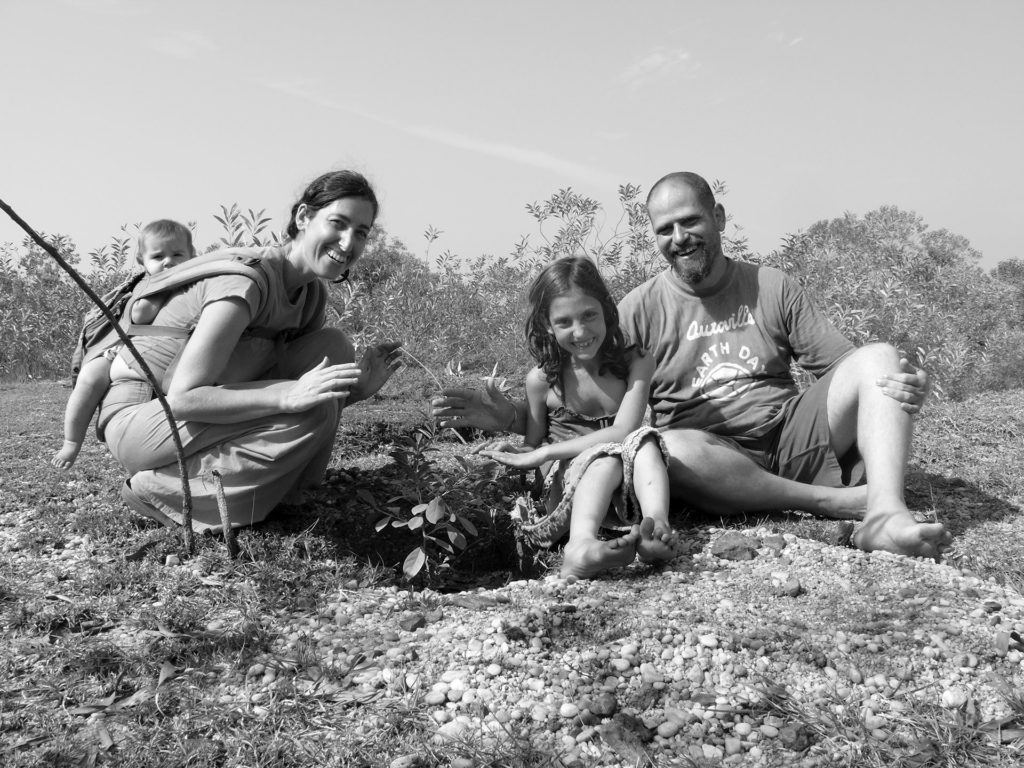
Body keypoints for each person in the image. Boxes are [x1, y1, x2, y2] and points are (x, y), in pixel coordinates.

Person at [434, 171, 952, 560]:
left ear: (719, 218)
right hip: (707, 454)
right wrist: (507, 419)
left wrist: (899, 384)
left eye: (690, 221)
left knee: (880, 358)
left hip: (791, 430)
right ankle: (831, 501)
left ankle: (884, 514)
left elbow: (845, 369)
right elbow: (581, 397)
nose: (679, 237)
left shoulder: (772, 285)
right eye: (665, 229)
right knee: (666, 444)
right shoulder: (635, 311)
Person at [97, 170, 402, 531]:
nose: (348, 242)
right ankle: (162, 489)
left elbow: (304, 394)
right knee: (308, 406)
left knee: (333, 347)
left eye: (362, 232)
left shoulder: (310, 294)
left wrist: (356, 392)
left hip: (190, 415)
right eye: (338, 223)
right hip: (145, 419)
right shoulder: (245, 284)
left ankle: (289, 494)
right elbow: (182, 397)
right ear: (304, 217)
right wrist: (287, 396)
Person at [478, 257, 680, 579]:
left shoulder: (636, 362)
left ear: (607, 311)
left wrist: (543, 450)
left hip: (625, 491)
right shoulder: (542, 380)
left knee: (645, 442)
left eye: (589, 315)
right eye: (565, 322)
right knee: (604, 459)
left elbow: (625, 429)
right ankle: (580, 546)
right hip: (568, 488)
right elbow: (534, 446)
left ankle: (654, 529)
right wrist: (528, 451)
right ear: (547, 324)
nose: (580, 331)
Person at [51, 219, 196, 470]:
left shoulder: (196, 281)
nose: (168, 262)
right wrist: (162, 288)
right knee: (89, 380)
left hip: (156, 353)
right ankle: (71, 442)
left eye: (177, 254)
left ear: (193, 255)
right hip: (117, 348)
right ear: (142, 260)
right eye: (158, 256)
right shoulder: (149, 284)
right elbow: (141, 315)